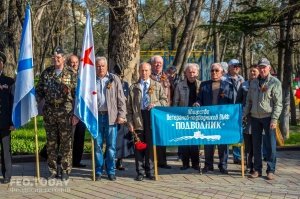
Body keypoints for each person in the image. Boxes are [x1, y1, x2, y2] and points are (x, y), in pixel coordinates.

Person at [36, 47, 77, 181]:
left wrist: (77, 114)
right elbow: (39, 91)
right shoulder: (47, 73)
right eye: (54, 57)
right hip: (50, 112)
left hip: (66, 112)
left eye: (58, 57)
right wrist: (31, 105)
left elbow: (78, 95)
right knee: (51, 142)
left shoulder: (71, 73)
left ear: (64, 58)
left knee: (66, 143)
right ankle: (52, 170)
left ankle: (65, 170)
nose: (56, 59)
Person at [127, 62, 168, 181]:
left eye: (146, 70)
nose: (144, 73)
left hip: (151, 119)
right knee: (139, 146)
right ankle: (140, 172)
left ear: (150, 72)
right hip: (138, 118)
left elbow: (165, 101)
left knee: (150, 146)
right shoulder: (133, 87)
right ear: (139, 72)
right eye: (142, 71)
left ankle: (150, 171)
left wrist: (156, 104)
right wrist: (129, 122)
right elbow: (129, 107)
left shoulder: (157, 85)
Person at [244, 58, 282, 180]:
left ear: (269, 68)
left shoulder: (274, 82)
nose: (262, 69)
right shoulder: (254, 83)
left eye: (264, 67)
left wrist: (274, 119)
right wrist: (243, 115)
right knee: (256, 145)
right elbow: (248, 101)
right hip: (255, 117)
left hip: (268, 117)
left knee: (270, 144)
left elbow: (278, 104)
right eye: (260, 67)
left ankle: (271, 170)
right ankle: (257, 169)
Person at [194, 63, 234, 175]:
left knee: (223, 143)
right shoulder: (204, 85)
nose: (214, 73)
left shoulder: (228, 85)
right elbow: (199, 99)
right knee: (208, 142)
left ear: (222, 72)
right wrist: (197, 103)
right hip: (208, 119)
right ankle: (208, 165)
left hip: (222, 120)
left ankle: (223, 165)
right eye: (212, 70)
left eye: (216, 70)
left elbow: (231, 103)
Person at [94, 57, 127, 181]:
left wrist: (122, 115)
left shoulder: (114, 79)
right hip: (96, 117)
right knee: (97, 146)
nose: (100, 68)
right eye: (98, 66)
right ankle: (98, 171)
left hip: (111, 117)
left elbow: (121, 99)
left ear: (107, 66)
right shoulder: (91, 80)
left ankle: (111, 171)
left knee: (111, 146)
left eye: (102, 66)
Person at [173, 63, 201, 171]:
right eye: (189, 72)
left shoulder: (201, 85)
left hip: (197, 117)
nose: (192, 74)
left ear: (197, 73)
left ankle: (196, 163)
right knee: (184, 141)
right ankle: (185, 163)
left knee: (195, 140)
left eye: (194, 72)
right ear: (185, 73)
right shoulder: (180, 85)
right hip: (183, 116)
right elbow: (175, 102)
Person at [236, 65, 260, 173]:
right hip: (246, 118)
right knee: (248, 144)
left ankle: (256, 166)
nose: (252, 73)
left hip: (258, 117)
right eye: (251, 72)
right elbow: (238, 101)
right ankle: (248, 165)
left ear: (259, 73)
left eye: (254, 71)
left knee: (257, 143)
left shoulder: (262, 84)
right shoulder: (244, 85)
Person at [150, 55, 172, 169]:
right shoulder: (148, 76)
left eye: (160, 63)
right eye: (156, 63)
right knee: (152, 136)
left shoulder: (167, 77)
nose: (158, 65)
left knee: (163, 136)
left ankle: (162, 161)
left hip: (164, 110)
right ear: (152, 64)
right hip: (152, 110)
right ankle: (152, 161)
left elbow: (170, 94)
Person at [68, 54, 87, 168]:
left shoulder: (83, 75)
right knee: (68, 137)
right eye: (72, 62)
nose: (74, 64)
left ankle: (76, 161)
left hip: (81, 111)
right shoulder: (66, 76)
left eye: (76, 62)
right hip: (69, 111)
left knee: (80, 136)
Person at [114, 63, 134, 170]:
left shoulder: (125, 84)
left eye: (120, 75)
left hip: (123, 115)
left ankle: (120, 161)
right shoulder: (110, 83)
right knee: (113, 139)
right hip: (113, 115)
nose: (118, 77)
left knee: (122, 140)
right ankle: (109, 161)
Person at [224, 59, 245, 164]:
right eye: (235, 66)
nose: (237, 67)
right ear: (229, 67)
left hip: (238, 110)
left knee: (237, 133)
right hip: (226, 111)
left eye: (239, 66)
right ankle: (225, 157)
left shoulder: (242, 79)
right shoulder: (223, 79)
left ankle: (237, 156)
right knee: (226, 134)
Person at [0, 51, 14, 184]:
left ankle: (7, 175)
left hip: (4, 122)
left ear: (2, 65)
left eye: (0, 62)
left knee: (5, 150)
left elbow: (12, 103)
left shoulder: (9, 82)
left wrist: (12, 121)